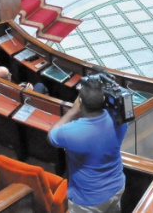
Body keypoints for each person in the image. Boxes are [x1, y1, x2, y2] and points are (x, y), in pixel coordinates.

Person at [48, 74, 128, 213]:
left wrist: (73, 111)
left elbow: (52, 135)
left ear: (80, 102)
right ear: (103, 99)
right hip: (117, 186)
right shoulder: (120, 120)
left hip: (89, 200)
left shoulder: (71, 132)